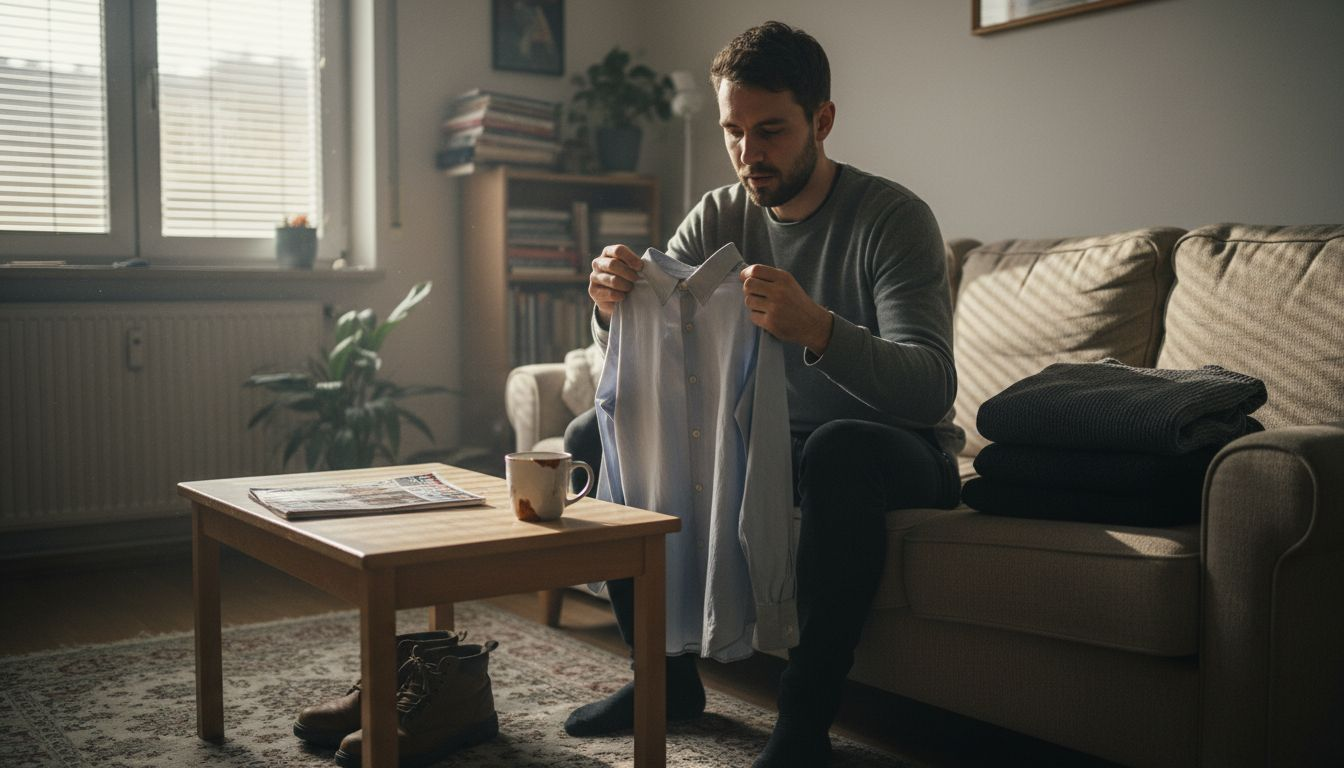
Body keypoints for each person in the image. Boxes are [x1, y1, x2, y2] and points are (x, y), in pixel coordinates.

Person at [563, 20, 963, 768]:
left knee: (838, 452)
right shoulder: (721, 214)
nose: (749, 154)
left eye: (771, 131)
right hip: (765, 440)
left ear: (823, 120)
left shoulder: (892, 218)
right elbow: (651, 344)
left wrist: (818, 328)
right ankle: (665, 682)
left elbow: (931, 386)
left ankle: (803, 726)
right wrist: (610, 305)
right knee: (591, 433)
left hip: (895, 449)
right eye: (733, 132)